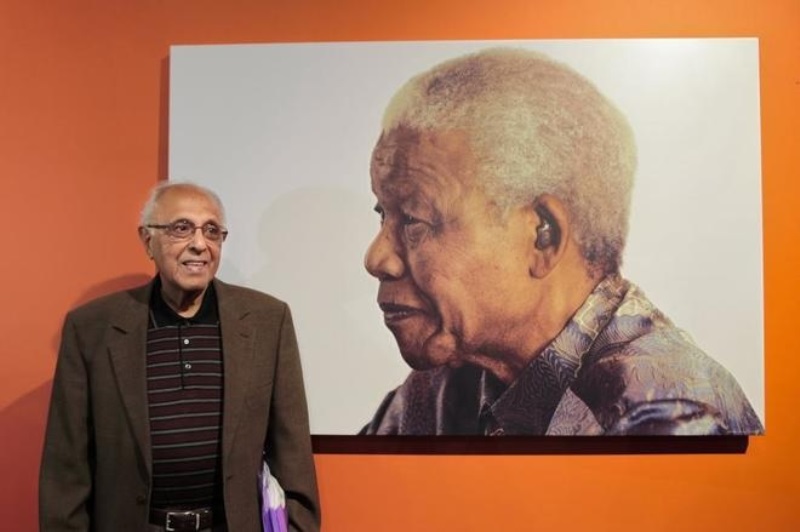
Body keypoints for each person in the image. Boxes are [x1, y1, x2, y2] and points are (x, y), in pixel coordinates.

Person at [360, 47, 763, 436]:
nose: (377, 258)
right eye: (383, 215)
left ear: (543, 235)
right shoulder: (442, 387)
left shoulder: (665, 411)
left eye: (414, 221)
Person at [40, 182, 320, 531]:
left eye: (212, 231)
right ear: (147, 241)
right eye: (181, 228)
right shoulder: (92, 328)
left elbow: (291, 451)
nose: (200, 244)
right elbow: (66, 469)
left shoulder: (267, 320)